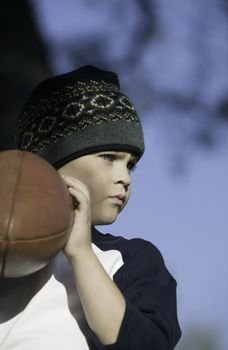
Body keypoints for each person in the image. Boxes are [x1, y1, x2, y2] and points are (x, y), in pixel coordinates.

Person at [0, 65, 181, 349]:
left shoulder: (132, 259)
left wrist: (81, 254)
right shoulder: (7, 245)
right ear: (49, 165)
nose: (125, 178)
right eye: (108, 157)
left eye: (130, 165)